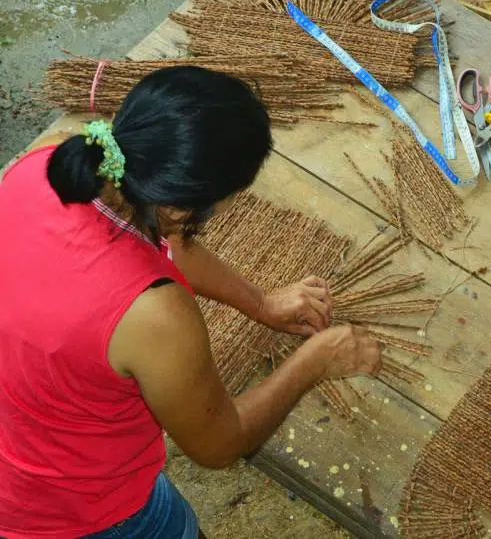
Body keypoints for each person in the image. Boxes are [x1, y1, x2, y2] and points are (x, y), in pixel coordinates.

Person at [0, 66, 383, 539]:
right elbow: (219, 446)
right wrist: (314, 362)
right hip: (73, 509)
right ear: (183, 207)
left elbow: (165, 239)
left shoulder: (46, 167)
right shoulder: (155, 312)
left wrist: (260, 303)